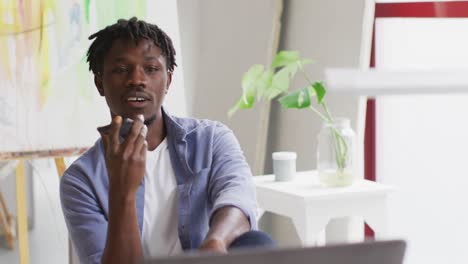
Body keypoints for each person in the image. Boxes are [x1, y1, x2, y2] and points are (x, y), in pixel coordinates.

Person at [60, 17, 274, 264]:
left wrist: (215, 242)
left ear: (168, 81)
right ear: (100, 83)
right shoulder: (81, 180)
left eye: (150, 69)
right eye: (121, 70)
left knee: (257, 243)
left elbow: (238, 198)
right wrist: (123, 192)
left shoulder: (211, 139)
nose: (137, 79)